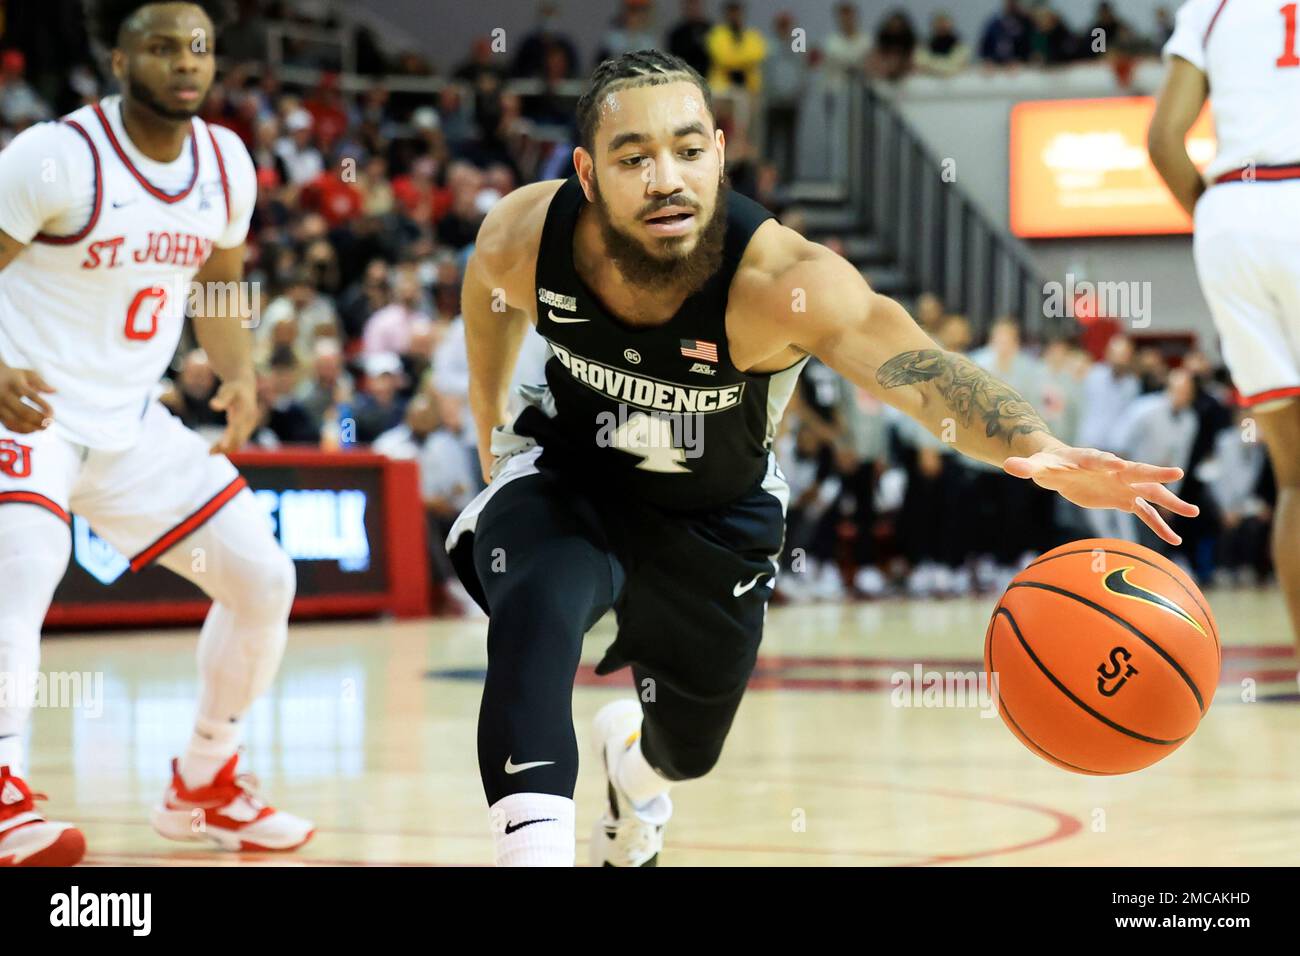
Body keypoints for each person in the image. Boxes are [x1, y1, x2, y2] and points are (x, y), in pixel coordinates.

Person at [448, 49, 1199, 868]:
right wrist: (493, 427)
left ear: (721, 154)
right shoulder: (527, 234)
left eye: (690, 150)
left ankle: (633, 774)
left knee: (686, 753)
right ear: (587, 174)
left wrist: (1040, 448)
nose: (668, 178)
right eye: (636, 158)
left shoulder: (780, 281)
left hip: (715, 517)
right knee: (538, 608)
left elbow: (923, 374)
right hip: (571, 476)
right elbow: (488, 297)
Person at [0, 0, 313, 866]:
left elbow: (218, 283)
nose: (185, 62)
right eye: (163, 46)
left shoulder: (224, 162)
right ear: (118, 61)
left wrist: (241, 372)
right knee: (24, 564)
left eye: (200, 48)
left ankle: (204, 783)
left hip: (132, 426)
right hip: (27, 412)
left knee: (262, 579)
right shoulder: (55, 157)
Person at [1149, 0, 1300, 685]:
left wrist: (1213, 217)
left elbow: (1164, 140)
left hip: (1234, 221)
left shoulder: (1210, 6)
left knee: (1294, 479)